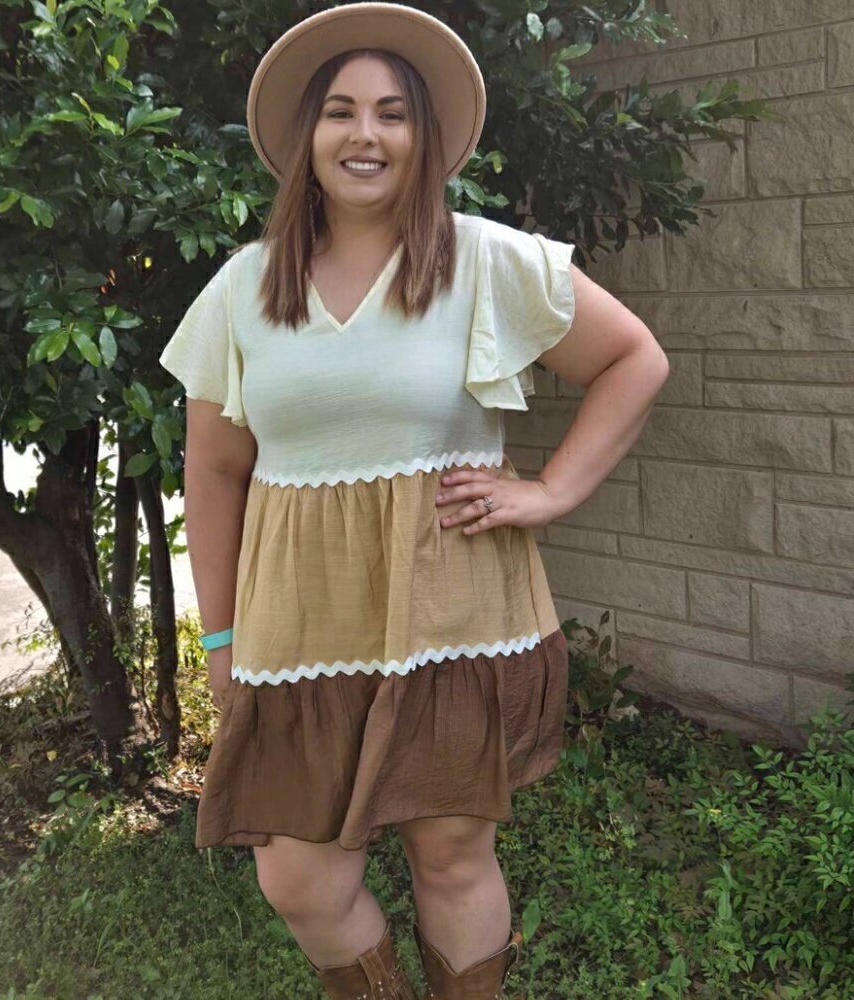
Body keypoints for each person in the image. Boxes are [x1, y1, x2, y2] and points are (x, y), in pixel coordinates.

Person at [159, 4, 670, 998]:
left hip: (451, 619)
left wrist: (550, 489)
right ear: (306, 135)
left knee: (449, 855)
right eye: (341, 111)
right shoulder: (241, 288)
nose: (365, 134)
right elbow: (214, 473)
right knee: (298, 874)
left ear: (421, 136)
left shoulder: (485, 261)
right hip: (296, 630)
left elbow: (631, 359)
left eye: (392, 113)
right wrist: (219, 644)